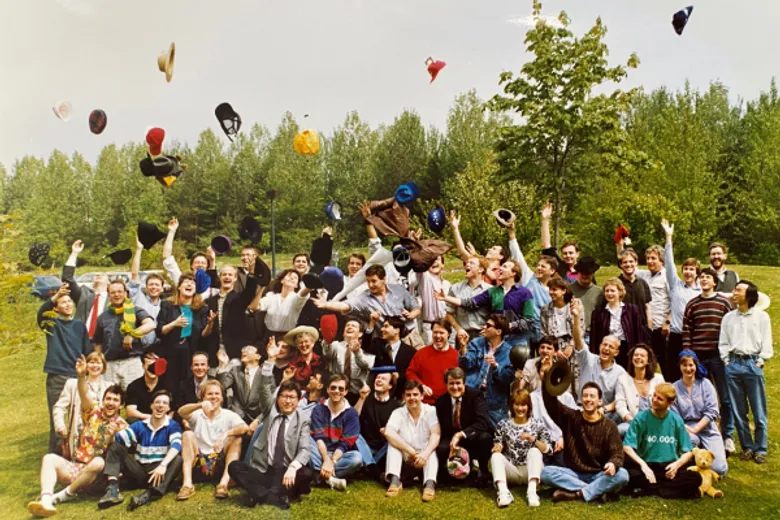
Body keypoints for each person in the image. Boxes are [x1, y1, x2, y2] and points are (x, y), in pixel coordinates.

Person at [27, 356, 127, 518]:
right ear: (102, 402)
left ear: (121, 405)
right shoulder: (93, 413)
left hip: (97, 476)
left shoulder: (122, 425)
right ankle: (45, 499)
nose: (110, 403)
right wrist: (81, 376)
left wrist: (112, 435)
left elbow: (118, 454)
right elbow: (84, 396)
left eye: (115, 400)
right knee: (49, 458)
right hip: (77, 468)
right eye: (108, 399)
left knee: (98, 461)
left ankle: (61, 496)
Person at [228, 347, 314, 510]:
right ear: (278, 398)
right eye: (284, 397)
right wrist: (270, 361)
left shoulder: (302, 419)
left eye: (292, 398)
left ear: (298, 400)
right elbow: (263, 389)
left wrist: (293, 468)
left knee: (306, 474)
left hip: (285, 471)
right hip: (264, 470)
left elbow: (305, 449)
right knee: (235, 467)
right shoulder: (271, 410)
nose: (288, 401)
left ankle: (260, 494)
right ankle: (273, 495)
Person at [540, 381, 629, 503]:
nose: (588, 399)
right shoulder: (571, 417)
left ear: (600, 401)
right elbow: (551, 403)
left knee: (623, 475)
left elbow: (618, 454)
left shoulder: (610, 426)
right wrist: (547, 377)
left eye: (592, 396)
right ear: (581, 400)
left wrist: (613, 464)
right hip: (573, 473)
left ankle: (577, 494)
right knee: (546, 472)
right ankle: (596, 490)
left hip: (599, 473)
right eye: (585, 396)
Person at [98, 390, 183, 510]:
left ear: (168, 407)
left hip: (158, 471)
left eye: (164, 403)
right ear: (151, 405)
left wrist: (163, 465)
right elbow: (119, 440)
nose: (160, 405)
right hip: (139, 470)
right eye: (157, 402)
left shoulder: (172, 425)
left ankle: (148, 495)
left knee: (177, 459)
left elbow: (177, 445)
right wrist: (112, 434)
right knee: (115, 446)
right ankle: (112, 490)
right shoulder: (140, 425)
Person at [720, 280, 773, 464]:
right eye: (734, 290)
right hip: (733, 365)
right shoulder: (728, 318)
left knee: (759, 410)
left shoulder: (761, 317)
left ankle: (761, 449)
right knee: (738, 410)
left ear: (748, 295)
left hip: (752, 364)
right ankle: (747, 447)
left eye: (738, 290)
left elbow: (767, 342)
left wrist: (760, 361)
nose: (734, 293)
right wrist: (726, 361)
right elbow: (723, 342)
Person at [682, 267, 735, 454]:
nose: (704, 280)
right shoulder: (692, 304)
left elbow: (732, 327)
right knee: (699, 396)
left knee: (725, 397)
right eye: (702, 277)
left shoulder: (724, 303)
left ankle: (727, 435)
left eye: (708, 277)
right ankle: (700, 432)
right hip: (698, 358)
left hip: (719, 357)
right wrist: (688, 355)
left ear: (714, 282)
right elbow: (686, 330)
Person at [38, 283, 92, 454]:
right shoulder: (51, 324)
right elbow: (40, 314)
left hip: (76, 376)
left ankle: (77, 453)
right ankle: (55, 455)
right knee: (57, 418)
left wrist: (86, 373)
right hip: (57, 376)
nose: (68, 304)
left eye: (70, 301)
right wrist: (55, 296)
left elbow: (87, 351)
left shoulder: (79, 326)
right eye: (63, 302)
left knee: (79, 418)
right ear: (56, 308)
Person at [622, 383, 702, 498]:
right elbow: (627, 447)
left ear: (669, 403)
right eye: (654, 396)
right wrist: (643, 465)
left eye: (659, 399)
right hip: (647, 464)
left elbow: (688, 451)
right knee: (628, 474)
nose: (654, 400)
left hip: (668, 466)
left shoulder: (676, 420)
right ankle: (670, 490)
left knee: (695, 478)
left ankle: (651, 490)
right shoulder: (640, 418)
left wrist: (676, 465)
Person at [176, 380, 248, 500]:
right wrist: (200, 405)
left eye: (217, 394)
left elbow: (244, 428)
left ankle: (223, 484)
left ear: (221, 397)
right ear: (203, 397)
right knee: (187, 434)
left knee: (236, 438)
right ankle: (187, 485)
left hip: (219, 462)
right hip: (199, 462)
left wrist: (225, 434)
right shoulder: (197, 414)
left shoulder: (228, 414)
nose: (213, 397)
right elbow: (181, 412)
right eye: (210, 394)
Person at [437, 259, 534, 347]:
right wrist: (446, 297)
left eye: (505, 267)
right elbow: (470, 303)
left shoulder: (524, 293)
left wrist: (509, 326)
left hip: (517, 341)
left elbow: (529, 321)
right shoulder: (492, 291)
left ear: (513, 273)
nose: (500, 268)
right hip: (497, 341)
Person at [314, 264, 421, 336]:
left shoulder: (399, 290)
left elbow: (416, 308)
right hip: (386, 340)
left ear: (384, 279)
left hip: (410, 334)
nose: (370, 285)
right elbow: (345, 305)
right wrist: (327, 304)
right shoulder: (364, 298)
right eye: (368, 281)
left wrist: (412, 315)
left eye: (374, 281)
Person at [91, 279, 156, 390]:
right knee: (109, 398)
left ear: (126, 293)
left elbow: (151, 324)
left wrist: (132, 334)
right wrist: (99, 363)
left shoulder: (136, 311)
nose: (117, 295)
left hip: (131, 363)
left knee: (133, 398)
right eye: (113, 292)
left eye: (120, 291)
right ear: (109, 295)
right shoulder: (103, 317)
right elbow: (98, 343)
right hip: (110, 364)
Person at [491, 389, 551, 507]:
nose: (520, 408)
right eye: (517, 404)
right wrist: (498, 447)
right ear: (511, 406)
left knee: (534, 451)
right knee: (495, 456)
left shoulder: (537, 424)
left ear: (529, 407)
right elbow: (497, 444)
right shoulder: (503, 424)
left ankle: (532, 492)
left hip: (531, 470)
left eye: (523, 405)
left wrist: (533, 440)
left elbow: (548, 450)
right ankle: (503, 492)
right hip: (513, 470)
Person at [671, 350, 728, 475]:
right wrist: (688, 429)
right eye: (684, 365)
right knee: (692, 440)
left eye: (691, 365)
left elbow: (712, 411)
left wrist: (696, 428)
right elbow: (674, 416)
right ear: (679, 367)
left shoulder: (705, 384)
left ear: (696, 366)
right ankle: (692, 461)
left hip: (707, 428)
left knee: (719, 469)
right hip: (686, 429)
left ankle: (706, 454)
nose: (688, 368)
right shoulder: (674, 388)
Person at [383, 380, 441, 502]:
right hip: (406, 455)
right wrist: (411, 451)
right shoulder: (398, 412)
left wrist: (424, 454)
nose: (412, 398)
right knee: (393, 446)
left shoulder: (431, 411)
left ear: (422, 396)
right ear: (403, 397)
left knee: (431, 450)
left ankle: (429, 485)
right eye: (408, 395)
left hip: (425, 455)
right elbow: (388, 432)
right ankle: (395, 481)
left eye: (415, 394)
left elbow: (436, 434)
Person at [435, 367, 493, 486]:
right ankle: (446, 473)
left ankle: (483, 471)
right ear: (446, 384)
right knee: (441, 447)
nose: (455, 387)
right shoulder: (440, 401)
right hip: (451, 440)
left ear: (464, 383)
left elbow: (483, 422)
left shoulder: (476, 396)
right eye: (451, 383)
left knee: (485, 438)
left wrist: (461, 434)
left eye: (458, 383)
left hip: (471, 437)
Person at [156, 274, 214, 389]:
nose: (189, 284)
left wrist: (210, 324)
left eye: (192, 283)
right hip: (171, 352)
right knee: (171, 385)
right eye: (186, 282)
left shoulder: (202, 308)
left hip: (192, 352)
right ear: (179, 287)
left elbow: (204, 334)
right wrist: (175, 323)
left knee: (188, 386)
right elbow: (160, 331)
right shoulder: (167, 305)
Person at [661, 219, 701, 381]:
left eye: (691, 269)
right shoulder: (676, 285)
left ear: (697, 272)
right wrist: (669, 237)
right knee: (672, 373)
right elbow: (669, 263)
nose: (688, 272)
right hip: (676, 336)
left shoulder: (700, 291)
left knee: (693, 373)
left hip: (694, 336)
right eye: (685, 269)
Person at [53, 352, 112, 459]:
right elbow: (59, 407)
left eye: (98, 363)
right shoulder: (72, 384)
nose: (95, 366)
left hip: (102, 433)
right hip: (79, 432)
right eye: (91, 362)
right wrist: (60, 425)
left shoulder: (110, 386)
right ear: (86, 365)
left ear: (104, 366)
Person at [309, 373, 363, 490]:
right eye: (333, 387)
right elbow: (318, 438)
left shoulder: (351, 413)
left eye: (341, 389)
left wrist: (332, 461)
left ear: (346, 392)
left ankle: (319, 476)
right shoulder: (318, 409)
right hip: (320, 451)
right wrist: (326, 459)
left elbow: (346, 443)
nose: (336, 391)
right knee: (306, 442)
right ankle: (330, 479)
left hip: (339, 455)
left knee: (357, 458)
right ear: (328, 389)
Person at [458, 314, 515, 425]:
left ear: (498, 332)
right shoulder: (477, 343)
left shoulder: (509, 352)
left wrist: (495, 366)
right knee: (470, 430)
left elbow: (507, 378)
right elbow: (465, 364)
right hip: (474, 393)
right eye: (485, 324)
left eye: (488, 325)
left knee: (497, 433)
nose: (484, 327)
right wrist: (463, 348)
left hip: (495, 399)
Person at [573, 299, 627, 414]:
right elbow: (578, 341)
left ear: (616, 353)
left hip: (604, 414)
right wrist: (576, 317)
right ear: (599, 346)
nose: (606, 348)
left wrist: (604, 410)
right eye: (604, 345)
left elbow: (620, 399)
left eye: (611, 347)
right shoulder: (588, 359)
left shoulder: (620, 372)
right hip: (582, 410)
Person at [205, 261, 258, 365]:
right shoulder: (211, 300)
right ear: (220, 278)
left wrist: (251, 273)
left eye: (230, 275)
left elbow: (249, 291)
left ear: (235, 278)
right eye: (224, 274)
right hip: (215, 348)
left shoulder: (239, 298)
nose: (227, 277)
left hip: (234, 348)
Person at [589, 277, 647, 368]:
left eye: (612, 291)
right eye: (607, 291)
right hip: (607, 350)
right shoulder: (598, 313)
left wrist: (638, 352)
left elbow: (638, 334)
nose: (609, 293)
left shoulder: (632, 310)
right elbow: (594, 339)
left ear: (620, 292)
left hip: (626, 349)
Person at [355, 369, 402, 477]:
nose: (379, 380)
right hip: (366, 447)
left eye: (383, 379)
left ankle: (369, 466)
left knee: (395, 439)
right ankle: (374, 469)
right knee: (354, 434)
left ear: (390, 386)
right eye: (378, 378)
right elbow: (354, 417)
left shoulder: (396, 406)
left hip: (384, 449)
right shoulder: (366, 399)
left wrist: (388, 431)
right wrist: (361, 398)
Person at [635, 245, 671, 375]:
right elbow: (626, 263)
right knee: (649, 364)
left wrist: (668, 322)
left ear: (661, 260)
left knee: (666, 365)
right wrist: (620, 244)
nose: (650, 261)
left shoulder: (667, 277)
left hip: (661, 328)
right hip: (647, 327)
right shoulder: (643, 275)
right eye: (648, 258)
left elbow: (675, 301)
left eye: (653, 258)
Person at [161, 217, 218, 299]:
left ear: (207, 266)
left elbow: (214, 279)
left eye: (203, 263)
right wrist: (171, 231)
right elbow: (167, 257)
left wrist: (212, 260)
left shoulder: (211, 285)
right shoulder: (182, 280)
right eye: (197, 262)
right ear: (192, 265)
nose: (200, 264)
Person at [615, 344, 665, 436]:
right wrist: (631, 420)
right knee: (619, 430)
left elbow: (665, 403)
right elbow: (620, 404)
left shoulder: (658, 379)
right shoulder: (622, 379)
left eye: (642, 355)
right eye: (636, 355)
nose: (638, 357)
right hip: (632, 422)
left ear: (648, 361)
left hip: (656, 421)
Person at [406, 320, 460, 405]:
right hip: (425, 403)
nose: (438, 336)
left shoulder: (456, 356)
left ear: (448, 334)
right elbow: (410, 372)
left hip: (448, 404)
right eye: (435, 332)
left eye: (441, 333)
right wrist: (420, 386)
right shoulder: (421, 353)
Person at [322, 318, 376, 404]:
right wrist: (327, 338)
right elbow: (327, 352)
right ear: (343, 333)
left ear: (360, 333)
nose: (349, 327)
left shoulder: (366, 349)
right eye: (347, 325)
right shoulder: (336, 346)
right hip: (337, 391)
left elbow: (365, 365)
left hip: (358, 394)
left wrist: (357, 352)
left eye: (353, 326)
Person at [61, 240, 108, 334]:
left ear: (109, 282)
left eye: (103, 274)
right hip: (81, 340)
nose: (99, 274)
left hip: (104, 342)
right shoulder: (83, 294)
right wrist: (74, 253)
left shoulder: (114, 299)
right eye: (97, 275)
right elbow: (67, 277)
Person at [364, 316, 417, 400]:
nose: (382, 329)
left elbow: (411, 373)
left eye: (386, 326)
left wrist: (399, 376)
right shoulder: (377, 344)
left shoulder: (410, 352)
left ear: (397, 330)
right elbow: (365, 346)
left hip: (399, 396)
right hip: (378, 395)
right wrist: (372, 324)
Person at [250, 269, 311, 340]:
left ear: (297, 285)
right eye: (289, 276)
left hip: (287, 337)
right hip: (268, 336)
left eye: (295, 278)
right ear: (282, 280)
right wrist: (262, 287)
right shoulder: (271, 296)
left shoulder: (296, 298)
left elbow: (302, 294)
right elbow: (254, 307)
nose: (292, 278)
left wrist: (309, 286)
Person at [445, 256, 492, 343]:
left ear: (480, 269)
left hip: (483, 335)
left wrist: (488, 327)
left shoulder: (490, 290)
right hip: (462, 334)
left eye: (472, 263)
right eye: (467, 263)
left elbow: (495, 314)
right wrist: (458, 329)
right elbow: (449, 313)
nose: (467, 264)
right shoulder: (455, 288)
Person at [129, 239, 165, 348]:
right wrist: (139, 249)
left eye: (157, 285)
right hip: (139, 347)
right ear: (146, 287)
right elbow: (134, 275)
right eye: (151, 284)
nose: (154, 287)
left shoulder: (165, 306)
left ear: (162, 289)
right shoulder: (138, 298)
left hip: (158, 349)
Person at [217, 345, 265, 423]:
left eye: (249, 349)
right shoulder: (235, 371)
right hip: (237, 417)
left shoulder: (265, 374)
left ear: (258, 356)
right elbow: (220, 387)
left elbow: (269, 401)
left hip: (257, 420)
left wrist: (258, 421)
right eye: (243, 350)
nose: (244, 351)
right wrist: (223, 365)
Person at [540, 202, 581, 282]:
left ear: (577, 254)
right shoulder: (559, 267)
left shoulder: (585, 271)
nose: (568, 255)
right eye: (565, 253)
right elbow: (546, 245)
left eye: (571, 253)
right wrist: (545, 220)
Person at [615, 248, 653, 331]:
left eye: (631, 261)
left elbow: (647, 307)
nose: (628, 264)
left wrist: (649, 329)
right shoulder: (616, 284)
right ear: (620, 265)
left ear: (636, 263)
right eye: (625, 262)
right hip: (622, 331)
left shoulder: (643, 283)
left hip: (642, 329)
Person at [125, 352, 168, 423]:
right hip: (142, 422)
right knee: (131, 420)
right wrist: (151, 418)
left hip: (163, 422)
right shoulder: (133, 386)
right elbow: (130, 411)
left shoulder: (167, 385)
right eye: (150, 366)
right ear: (143, 366)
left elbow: (172, 411)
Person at [568, 256, 603, 344]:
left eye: (588, 273)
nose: (585, 276)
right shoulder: (568, 290)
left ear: (593, 274)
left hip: (593, 334)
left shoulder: (600, 292)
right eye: (582, 272)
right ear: (578, 273)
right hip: (572, 334)